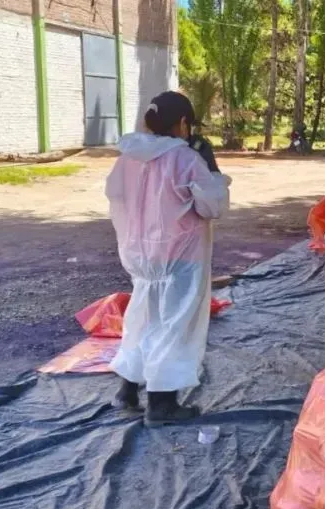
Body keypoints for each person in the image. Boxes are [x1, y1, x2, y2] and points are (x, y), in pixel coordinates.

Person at [105, 91, 231, 426]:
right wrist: (211, 169)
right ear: (183, 123)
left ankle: (127, 392)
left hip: (144, 258)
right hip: (180, 258)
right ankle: (161, 405)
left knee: (143, 321)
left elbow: (117, 199)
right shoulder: (185, 159)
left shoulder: (127, 158)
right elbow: (211, 206)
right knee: (174, 327)